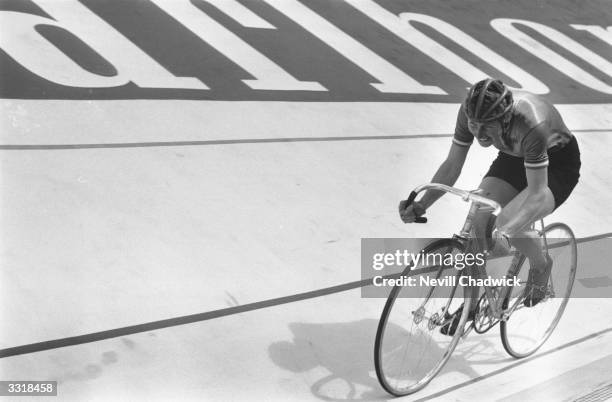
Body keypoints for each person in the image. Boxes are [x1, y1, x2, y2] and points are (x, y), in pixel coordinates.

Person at [398, 78, 581, 335]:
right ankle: (470, 308)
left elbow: (537, 194)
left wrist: (508, 229)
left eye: (488, 127)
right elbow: (452, 165)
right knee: (477, 225)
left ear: (506, 119)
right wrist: (422, 204)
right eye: (475, 125)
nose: (480, 134)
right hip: (514, 156)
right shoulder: (468, 113)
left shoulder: (531, 125)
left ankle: (541, 264)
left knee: (507, 223)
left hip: (557, 164)